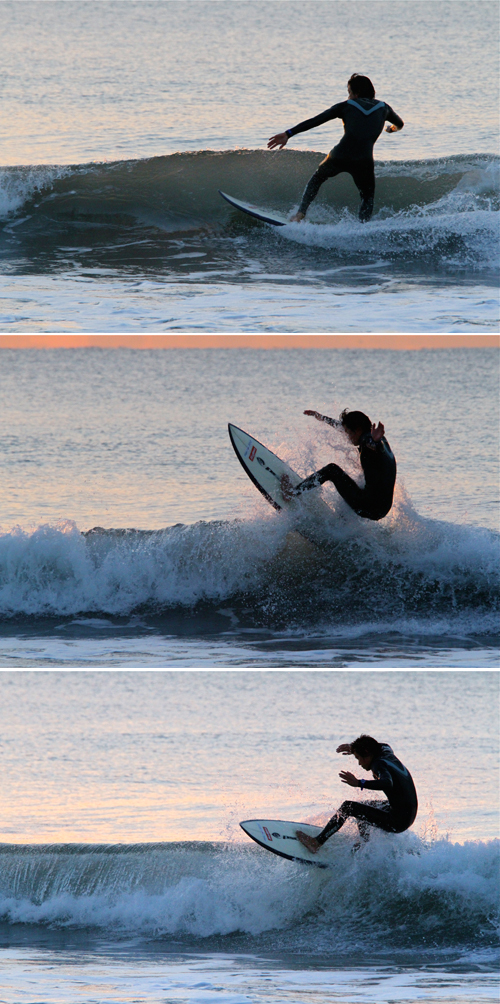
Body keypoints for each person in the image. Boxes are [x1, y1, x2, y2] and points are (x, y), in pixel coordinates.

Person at [267, 73, 404, 222]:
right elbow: (400, 124)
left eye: (349, 93)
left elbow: (317, 120)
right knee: (367, 197)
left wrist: (289, 133)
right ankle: (362, 228)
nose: (348, 97)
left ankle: (300, 214)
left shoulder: (346, 106)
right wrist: (391, 129)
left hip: (340, 155)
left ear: (356, 93)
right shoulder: (384, 108)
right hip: (364, 160)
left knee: (317, 179)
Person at [296, 735, 418, 853]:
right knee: (363, 808)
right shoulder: (385, 751)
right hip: (406, 814)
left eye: (358, 757)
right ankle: (365, 844)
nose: (359, 763)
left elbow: (387, 783)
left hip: (398, 821)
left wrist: (359, 783)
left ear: (366, 752)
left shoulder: (378, 764)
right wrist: (354, 747)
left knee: (348, 807)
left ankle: (316, 843)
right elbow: (384, 745)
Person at [281, 408, 396, 521]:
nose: (347, 436)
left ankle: (291, 493)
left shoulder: (368, 440)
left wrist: (374, 442)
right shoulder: (382, 441)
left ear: (358, 430)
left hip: (368, 506)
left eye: (348, 433)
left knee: (332, 470)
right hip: (382, 508)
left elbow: (372, 445)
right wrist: (321, 417)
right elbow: (342, 427)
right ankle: (341, 528)